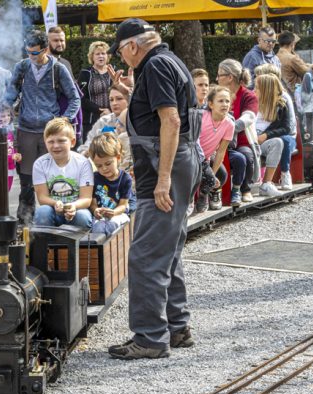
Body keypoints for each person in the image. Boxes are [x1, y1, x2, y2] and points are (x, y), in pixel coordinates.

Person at [106, 18, 200, 360]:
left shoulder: (156, 66)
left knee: (145, 256)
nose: (122, 57)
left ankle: (150, 337)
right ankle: (177, 327)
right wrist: (134, 92)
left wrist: (162, 179)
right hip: (182, 161)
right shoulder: (169, 60)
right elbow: (160, 112)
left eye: (121, 50)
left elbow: (171, 120)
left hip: (165, 169)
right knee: (168, 249)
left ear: (132, 45)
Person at [4, 30, 81, 226]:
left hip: (50, 132)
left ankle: (59, 219)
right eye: (28, 52)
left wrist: (64, 120)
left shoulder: (58, 69)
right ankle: (25, 224)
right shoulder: (21, 67)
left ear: (46, 49)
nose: (31, 56)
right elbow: (9, 96)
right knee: (27, 181)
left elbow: (75, 98)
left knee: (56, 176)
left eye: (35, 53)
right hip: (26, 130)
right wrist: (4, 108)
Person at [32, 118, 93, 228]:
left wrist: (73, 206)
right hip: (52, 209)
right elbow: (42, 198)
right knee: (42, 212)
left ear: (72, 142)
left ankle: (80, 245)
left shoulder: (83, 163)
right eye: (51, 141)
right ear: (45, 143)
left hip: (77, 209)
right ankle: (46, 244)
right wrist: (55, 203)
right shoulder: (39, 164)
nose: (56, 146)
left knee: (83, 217)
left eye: (61, 141)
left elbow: (86, 198)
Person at [217, 59, 260, 203]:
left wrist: (229, 128)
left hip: (241, 141)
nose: (216, 79)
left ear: (230, 77)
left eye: (219, 75)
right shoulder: (218, 94)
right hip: (216, 139)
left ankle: (245, 189)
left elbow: (249, 117)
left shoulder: (248, 96)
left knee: (246, 156)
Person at [255, 64, 298, 191]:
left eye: (259, 76)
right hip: (262, 135)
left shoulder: (282, 100)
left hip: (284, 134)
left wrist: (265, 135)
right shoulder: (256, 97)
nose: (256, 79)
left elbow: (287, 127)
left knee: (283, 141)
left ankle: (285, 173)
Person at [89, 132, 134, 235]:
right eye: (99, 166)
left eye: (108, 163)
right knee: (98, 227)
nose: (104, 168)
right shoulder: (94, 177)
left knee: (113, 225)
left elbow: (123, 205)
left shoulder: (125, 178)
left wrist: (113, 212)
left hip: (119, 214)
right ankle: (99, 250)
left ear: (118, 158)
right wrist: (96, 210)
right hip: (100, 216)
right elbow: (93, 204)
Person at [199, 86, 236, 209]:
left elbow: (221, 151)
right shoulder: (202, 117)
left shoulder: (229, 124)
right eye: (220, 101)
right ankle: (190, 202)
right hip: (193, 155)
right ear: (211, 104)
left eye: (227, 101)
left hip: (206, 158)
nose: (224, 104)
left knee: (221, 175)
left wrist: (212, 175)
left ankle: (206, 193)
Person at [78, 41, 113, 144]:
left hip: (111, 118)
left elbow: (120, 94)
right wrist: (99, 110)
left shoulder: (113, 71)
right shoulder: (85, 73)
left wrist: (109, 110)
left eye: (103, 53)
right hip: (91, 120)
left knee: (110, 149)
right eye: (97, 54)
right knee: (91, 150)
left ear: (107, 56)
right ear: (92, 56)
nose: (101, 56)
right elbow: (81, 98)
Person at [79, 86, 129, 155]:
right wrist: (87, 152)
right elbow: (86, 146)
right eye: (111, 100)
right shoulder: (104, 121)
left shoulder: (138, 121)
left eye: (119, 99)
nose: (114, 103)